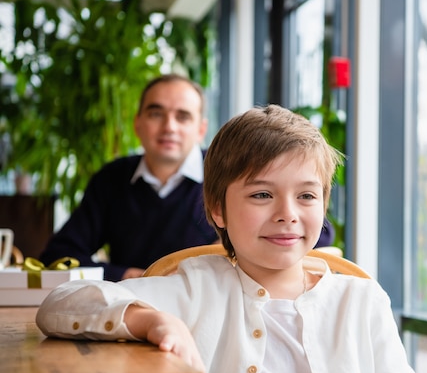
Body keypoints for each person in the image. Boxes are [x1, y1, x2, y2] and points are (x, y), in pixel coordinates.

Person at [36, 105, 427, 373]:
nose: (287, 214)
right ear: (217, 209)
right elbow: (60, 303)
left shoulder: (361, 300)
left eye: (306, 196)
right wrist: (154, 321)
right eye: (261, 194)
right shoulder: (196, 288)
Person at [38, 75, 334, 281]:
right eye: (156, 114)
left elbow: (318, 233)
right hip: (138, 305)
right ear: (138, 124)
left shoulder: (235, 173)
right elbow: (61, 255)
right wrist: (130, 275)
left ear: (201, 128)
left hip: (227, 303)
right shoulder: (113, 179)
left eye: (183, 116)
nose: (169, 126)